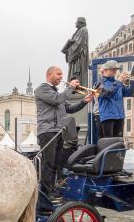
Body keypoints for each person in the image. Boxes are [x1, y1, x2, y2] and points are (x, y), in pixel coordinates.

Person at [35, 66, 92, 197]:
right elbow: (56, 100)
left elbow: (70, 108)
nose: (61, 77)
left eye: (62, 74)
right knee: (48, 163)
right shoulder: (42, 89)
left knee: (56, 163)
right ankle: (46, 193)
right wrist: (71, 88)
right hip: (47, 131)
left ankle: (53, 189)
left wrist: (84, 101)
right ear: (49, 74)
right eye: (58, 74)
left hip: (58, 130)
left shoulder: (58, 93)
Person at [96, 60, 134, 138]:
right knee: (108, 143)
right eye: (112, 69)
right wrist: (119, 82)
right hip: (107, 117)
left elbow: (129, 92)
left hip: (120, 116)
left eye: (116, 69)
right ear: (105, 70)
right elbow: (107, 94)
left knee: (118, 143)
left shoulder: (117, 83)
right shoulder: (100, 82)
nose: (115, 71)